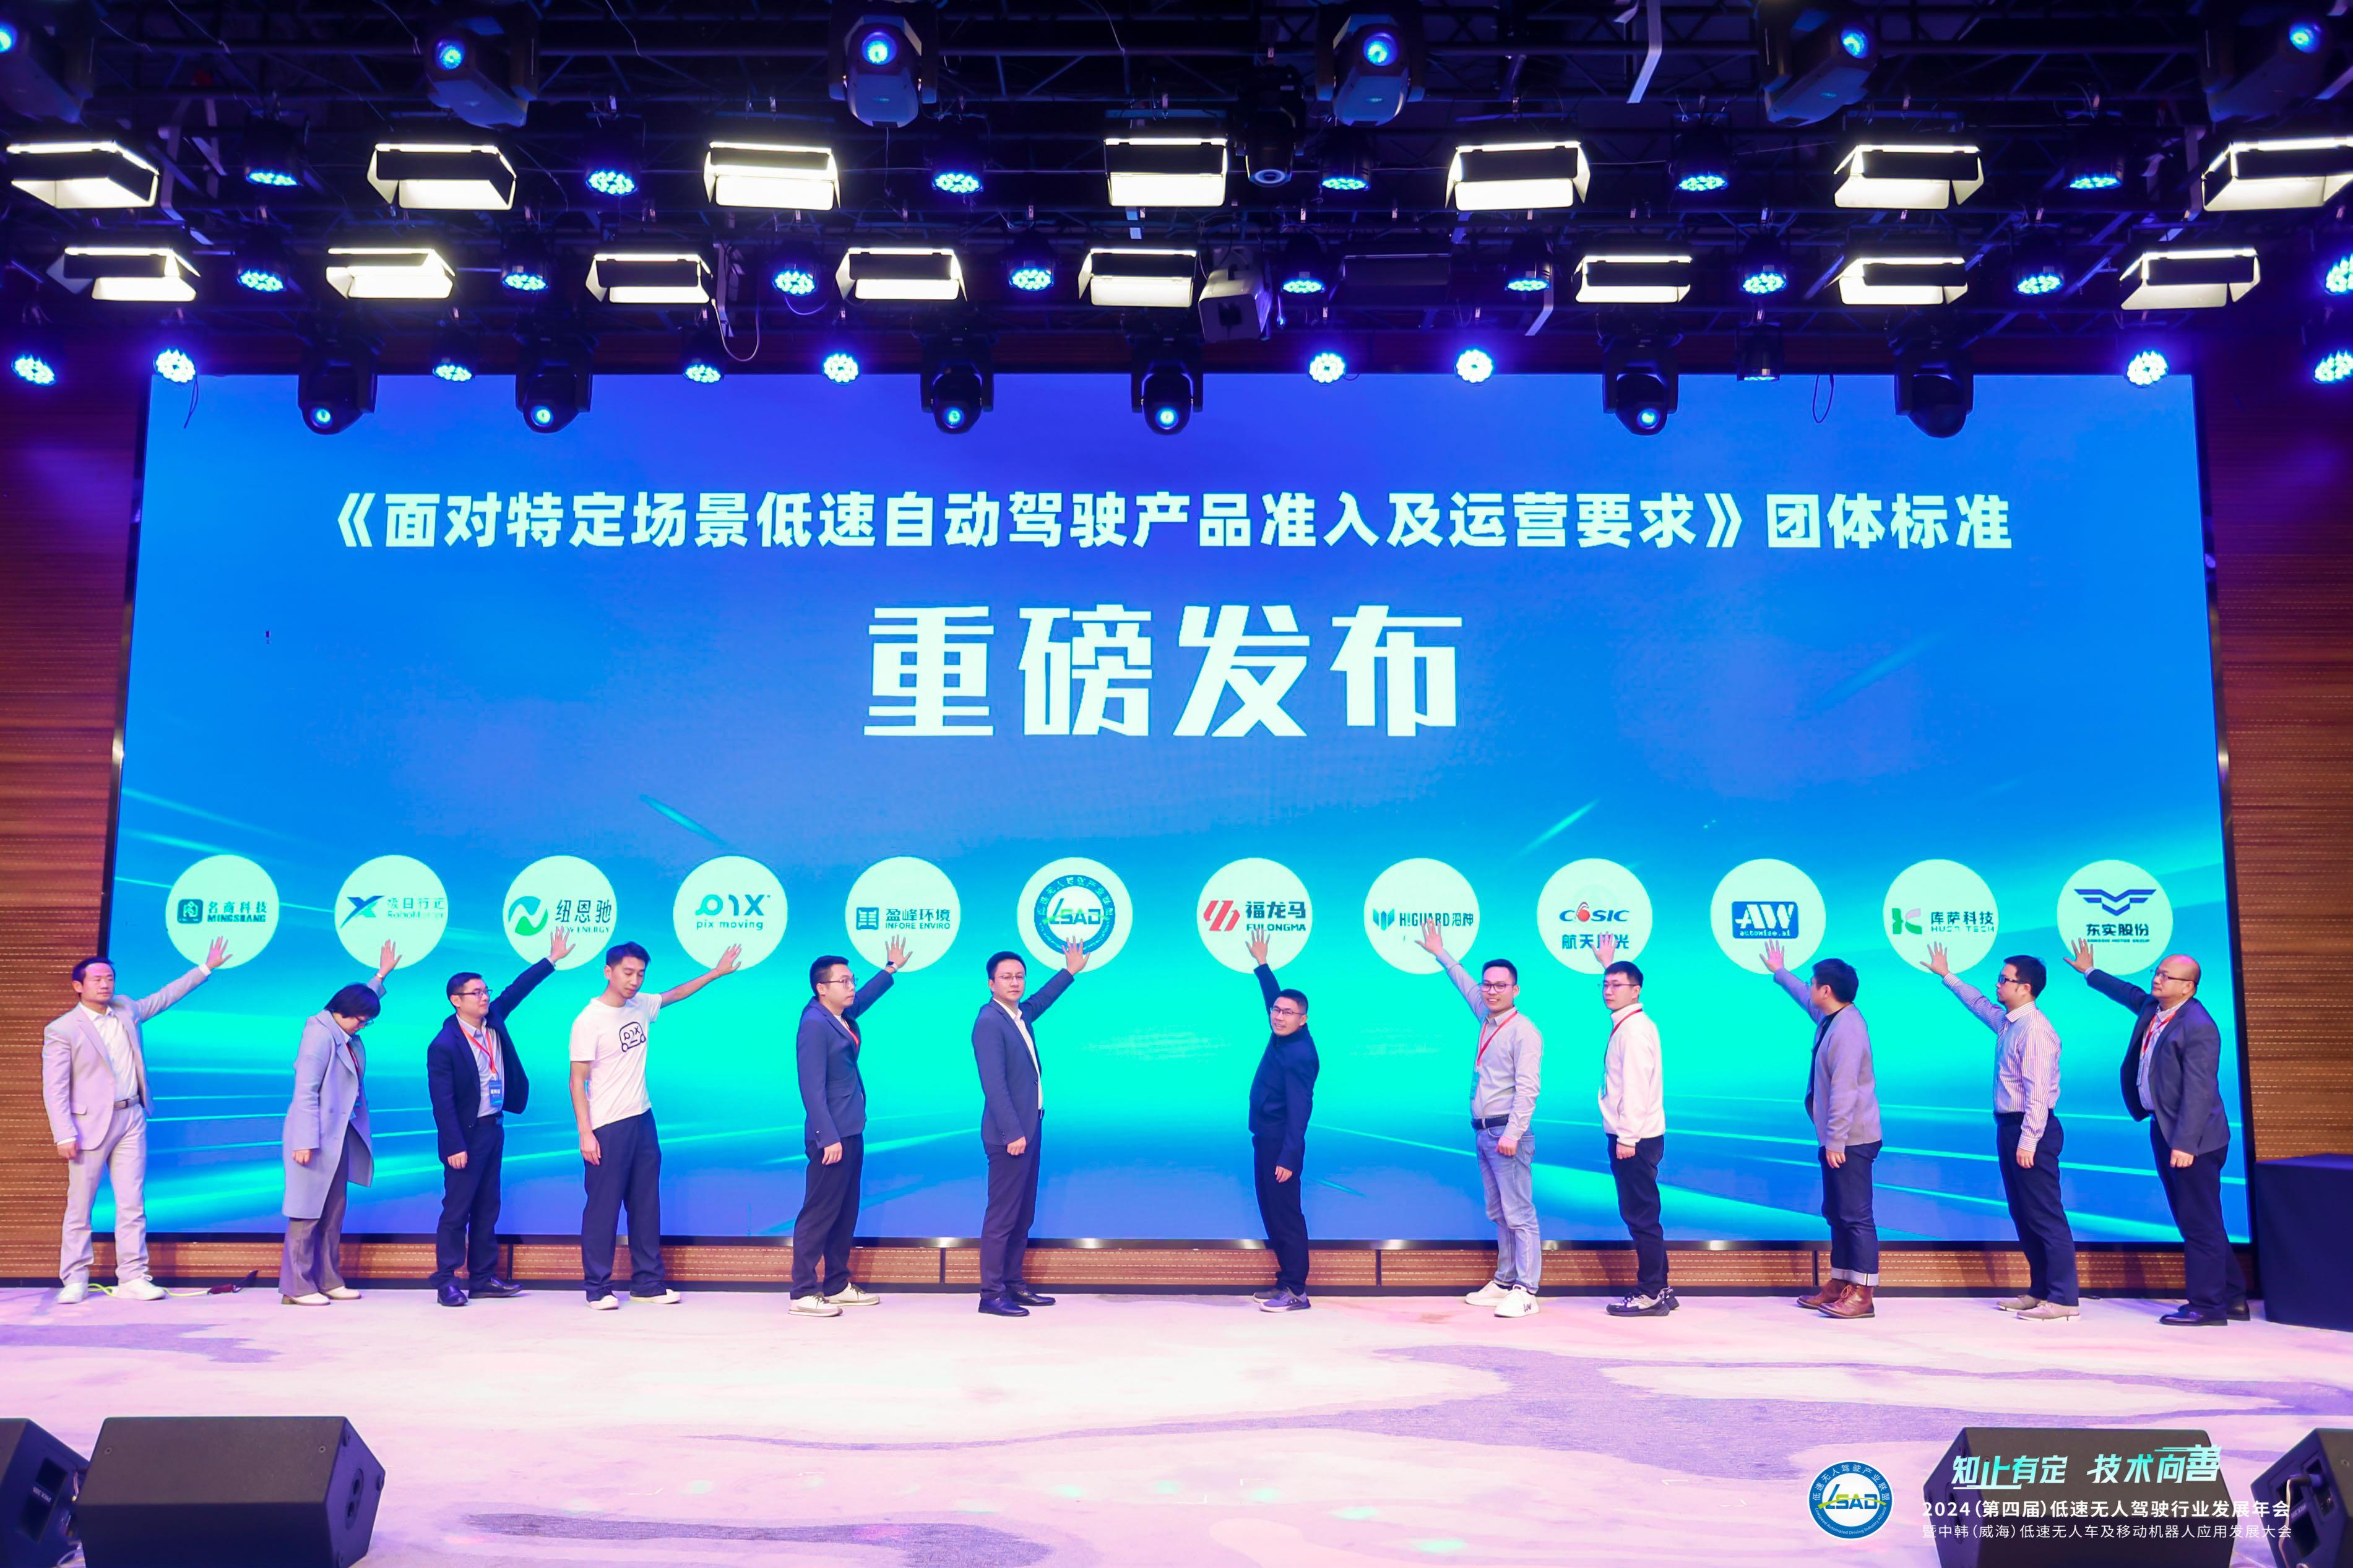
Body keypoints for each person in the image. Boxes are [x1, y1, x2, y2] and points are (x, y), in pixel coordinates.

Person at [2068, 940, 2248, 1326]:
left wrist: (2185, 1144)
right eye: (2158, 972)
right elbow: (2128, 993)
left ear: (2188, 987)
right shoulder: (2154, 1008)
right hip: (2164, 1128)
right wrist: (2090, 972)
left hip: (2194, 1139)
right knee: (2196, 1217)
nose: (2158, 979)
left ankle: (2208, 1307)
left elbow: (2200, 1091)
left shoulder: (2199, 1027)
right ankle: (2233, 1297)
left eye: (2168, 976)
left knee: (2198, 1223)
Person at [43, 938, 230, 1305]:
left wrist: (205, 968)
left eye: (109, 978)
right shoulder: (63, 1029)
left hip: (131, 1116)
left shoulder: (126, 1008)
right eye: (97, 979)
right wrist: (63, 1133)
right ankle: (75, 1278)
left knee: (132, 1203)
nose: (105, 984)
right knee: (80, 1206)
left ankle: (132, 1276)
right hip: (88, 1126)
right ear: (78, 986)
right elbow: (55, 1087)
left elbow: (164, 998)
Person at [569, 939, 741, 1310]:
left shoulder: (641, 1005)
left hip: (642, 1119)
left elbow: (674, 995)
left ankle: (647, 1283)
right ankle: (597, 1288)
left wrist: (716, 972)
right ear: (609, 972)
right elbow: (577, 1080)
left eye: (640, 974)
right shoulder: (589, 1020)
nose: (634, 981)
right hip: (607, 1125)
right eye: (627, 973)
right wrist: (586, 1132)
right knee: (603, 1209)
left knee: (646, 1205)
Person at [1925, 946, 2078, 1322]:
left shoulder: (2036, 1030)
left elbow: (2038, 1093)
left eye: (2004, 980)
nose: (1998, 985)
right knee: (2024, 1213)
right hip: (2010, 1127)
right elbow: (1979, 1005)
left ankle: (2064, 1298)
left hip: (2031, 1129)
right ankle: (2041, 1290)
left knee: (2045, 1214)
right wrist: (1947, 976)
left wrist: (2029, 1140)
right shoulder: (2010, 1022)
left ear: (2025, 988)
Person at [425, 928, 571, 1307]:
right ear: (456, 1001)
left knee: (488, 1206)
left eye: (485, 990)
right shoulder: (443, 1045)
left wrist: (551, 959)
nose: (485, 997)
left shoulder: (495, 1020)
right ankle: (446, 1281)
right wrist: (454, 1145)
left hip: (493, 1129)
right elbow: (442, 1102)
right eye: (476, 993)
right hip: (465, 1137)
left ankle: (482, 1278)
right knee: (457, 1210)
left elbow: (517, 990)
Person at [1417, 919, 1545, 1320]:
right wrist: (1441, 953)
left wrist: (1514, 1132)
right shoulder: (1487, 1018)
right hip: (1485, 1133)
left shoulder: (1524, 1032)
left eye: (1499, 986)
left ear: (1515, 990)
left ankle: (1527, 1290)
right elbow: (1464, 985)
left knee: (1520, 1213)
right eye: (1487, 985)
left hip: (1507, 1133)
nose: (1490, 991)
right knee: (1500, 1212)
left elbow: (1529, 1088)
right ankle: (1505, 1280)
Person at [788, 937, 910, 1319]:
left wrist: (890, 968)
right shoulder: (814, 1024)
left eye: (852, 979)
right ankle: (802, 1291)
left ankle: (837, 1284)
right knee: (819, 1212)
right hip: (831, 1135)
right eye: (843, 981)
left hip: (851, 1128)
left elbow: (865, 999)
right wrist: (827, 1137)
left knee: (845, 1211)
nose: (851, 985)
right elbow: (811, 1086)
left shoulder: (838, 1015)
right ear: (821, 988)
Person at [1764, 942, 1883, 1320]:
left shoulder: (1848, 1029)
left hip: (1851, 1139)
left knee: (1856, 1216)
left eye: (1813, 982)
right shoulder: (1831, 1015)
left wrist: (1836, 1141)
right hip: (1837, 1138)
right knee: (1837, 1212)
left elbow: (1846, 1091)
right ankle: (1841, 1282)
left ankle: (1863, 1292)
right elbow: (1804, 997)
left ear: (1827, 990)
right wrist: (1780, 972)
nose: (1810, 987)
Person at [971, 939, 1089, 1318]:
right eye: (1006, 977)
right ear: (991, 983)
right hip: (1010, 1136)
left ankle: (1013, 1283)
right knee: (1003, 1216)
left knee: (1023, 1214)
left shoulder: (1019, 1015)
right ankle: (991, 1295)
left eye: (1019, 976)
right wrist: (1013, 1133)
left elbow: (1043, 1000)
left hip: (1030, 1127)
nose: (1015, 982)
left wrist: (1069, 971)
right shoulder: (989, 1022)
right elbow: (994, 1085)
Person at [280, 942, 399, 1306]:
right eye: (360, 1019)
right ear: (340, 1012)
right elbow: (305, 1090)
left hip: (340, 1135)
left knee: (334, 1210)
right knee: (306, 1211)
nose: (363, 1025)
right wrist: (304, 1140)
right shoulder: (318, 1035)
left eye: (367, 1020)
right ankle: (297, 1287)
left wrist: (380, 976)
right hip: (313, 1136)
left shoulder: (343, 1031)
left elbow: (360, 1001)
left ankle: (329, 1278)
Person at [1593, 934, 1671, 1317]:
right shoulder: (1629, 1024)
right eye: (1605, 984)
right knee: (1644, 1215)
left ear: (1636, 990)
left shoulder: (1635, 1030)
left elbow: (1637, 1087)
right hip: (1637, 1136)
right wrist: (1607, 961)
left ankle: (1651, 1292)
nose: (1608, 991)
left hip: (1635, 1139)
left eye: (1616, 985)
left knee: (1641, 1217)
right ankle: (1662, 1287)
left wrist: (1627, 1137)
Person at [1245, 928, 1319, 1314]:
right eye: (1276, 1011)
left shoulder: (1299, 1054)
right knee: (1271, 1212)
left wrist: (1289, 1157)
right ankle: (1285, 1280)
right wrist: (1262, 965)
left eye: (1288, 1013)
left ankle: (1297, 1291)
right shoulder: (1282, 1035)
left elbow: (1301, 1110)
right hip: (1266, 1138)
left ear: (1303, 1020)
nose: (1278, 1016)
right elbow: (1272, 998)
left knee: (1286, 1215)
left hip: (1281, 1146)